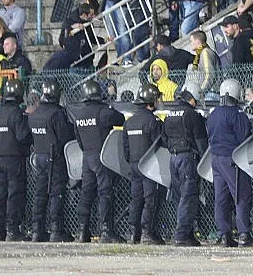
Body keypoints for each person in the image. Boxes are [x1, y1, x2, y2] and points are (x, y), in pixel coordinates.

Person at [72, 80, 126, 243]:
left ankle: (82, 230)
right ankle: (106, 231)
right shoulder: (103, 111)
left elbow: (79, 139)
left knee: (86, 193)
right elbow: (121, 119)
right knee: (105, 192)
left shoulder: (79, 115)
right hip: (102, 156)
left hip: (87, 157)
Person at [207, 79, 253, 247]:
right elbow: (244, 136)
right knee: (241, 195)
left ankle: (224, 234)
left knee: (220, 198)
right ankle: (244, 233)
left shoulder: (213, 113)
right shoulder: (237, 114)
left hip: (216, 159)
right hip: (232, 159)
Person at [27, 80, 75, 243]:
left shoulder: (35, 113)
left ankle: (36, 230)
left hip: (39, 157)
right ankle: (56, 230)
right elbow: (65, 137)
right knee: (56, 194)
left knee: (40, 194)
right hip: (55, 158)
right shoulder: (56, 113)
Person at [0, 79, 32, 241]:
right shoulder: (16, 114)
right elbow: (23, 136)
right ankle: (13, 230)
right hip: (15, 159)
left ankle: (0, 230)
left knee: (0, 194)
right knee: (14, 193)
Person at [163, 84, 208, 246]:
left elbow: (164, 138)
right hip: (187, 159)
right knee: (188, 195)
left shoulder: (169, 114)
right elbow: (201, 142)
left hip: (173, 158)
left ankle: (186, 232)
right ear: (192, 98)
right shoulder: (192, 115)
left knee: (178, 196)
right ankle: (182, 234)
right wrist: (204, 160)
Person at [123, 83, 165, 245]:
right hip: (149, 166)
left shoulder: (130, 121)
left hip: (134, 164)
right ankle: (147, 232)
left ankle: (134, 233)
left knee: (136, 198)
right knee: (150, 199)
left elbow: (125, 147)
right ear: (151, 101)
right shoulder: (152, 121)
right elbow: (158, 144)